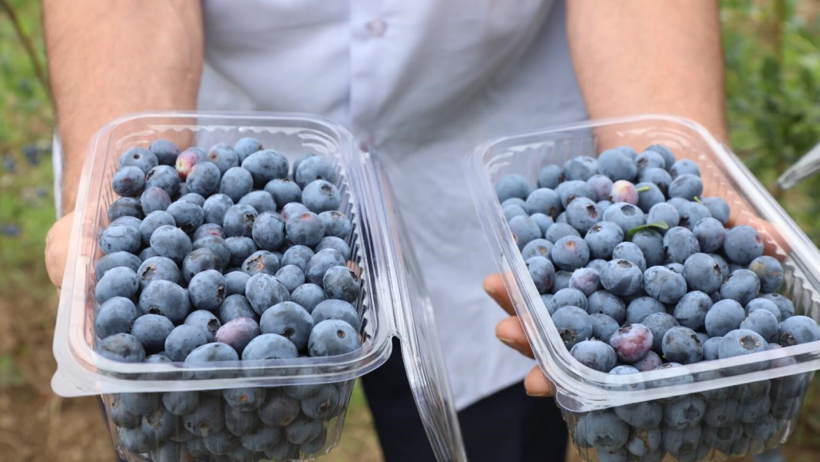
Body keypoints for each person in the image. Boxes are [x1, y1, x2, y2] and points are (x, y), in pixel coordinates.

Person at [43, 1, 727, 460]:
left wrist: (676, 185)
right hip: (234, 143)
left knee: (496, 440)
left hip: (484, 146)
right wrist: (121, 207)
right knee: (208, 426)